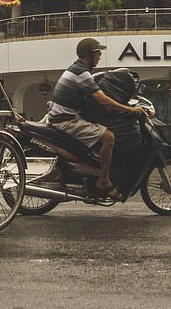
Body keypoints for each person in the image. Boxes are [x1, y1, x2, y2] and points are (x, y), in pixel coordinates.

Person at [42, 37, 149, 200]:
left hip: (60, 115)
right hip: (66, 120)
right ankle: (104, 180)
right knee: (108, 137)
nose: (99, 57)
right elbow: (102, 99)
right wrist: (130, 110)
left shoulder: (77, 69)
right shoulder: (81, 72)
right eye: (97, 53)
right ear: (88, 55)